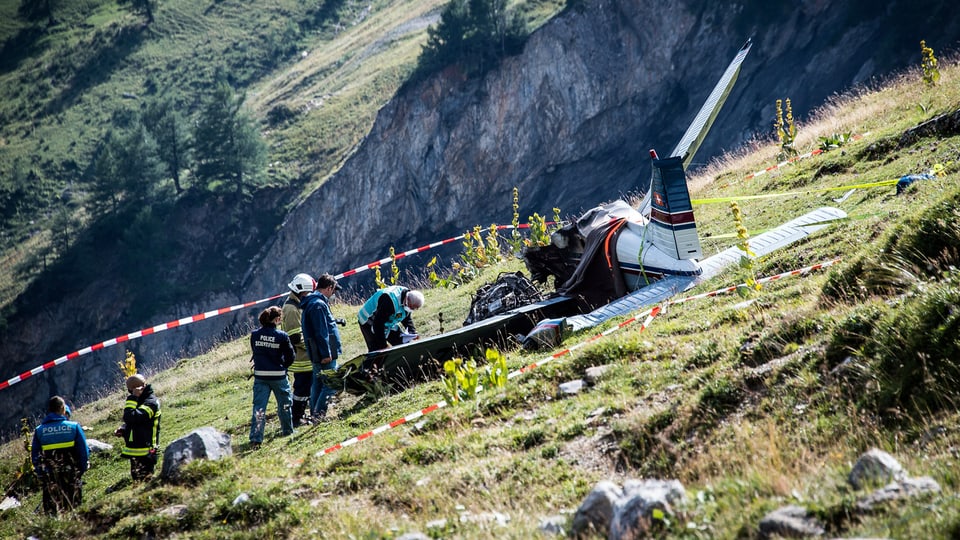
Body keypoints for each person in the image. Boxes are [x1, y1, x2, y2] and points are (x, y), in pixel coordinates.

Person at [32, 396, 89, 514]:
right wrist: (81, 470)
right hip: (72, 474)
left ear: (50, 409)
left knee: (52, 512)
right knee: (74, 510)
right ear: (63, 408)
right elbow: (83, 451)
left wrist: (41, 474)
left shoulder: (39, 430)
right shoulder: (74, 426)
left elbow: (35, 456)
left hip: (50, 477)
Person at [249, 305, 296, 448]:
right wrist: (283, 366)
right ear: (276, 319)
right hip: (278, 377)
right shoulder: (282, 336)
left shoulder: (255, 335)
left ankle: (256, 438)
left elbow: (255, 351)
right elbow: (291, 356)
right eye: (280, 319)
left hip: (260, 376)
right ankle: (288, 432)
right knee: (285, 405)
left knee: (259, 408)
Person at [301, 273, 342, 420]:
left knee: (317, 384)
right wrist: (326, 353)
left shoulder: (312, 303)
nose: (333, 294)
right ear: (329, 288)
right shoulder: (318, 304)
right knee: (331, 383)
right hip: (324, 353)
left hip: (316, 352)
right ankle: (319, 415)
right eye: (334, 290)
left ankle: (314, 414)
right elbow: (321, 331)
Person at [114, 373, 161, 481]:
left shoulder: (151, 403)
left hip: (146, 451)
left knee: (146, 482)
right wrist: (124, 429)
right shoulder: (140, 401)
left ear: (138, 389)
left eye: (130, 391)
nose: (130, 393)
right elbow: (136, 422)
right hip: (135, 450)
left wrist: (132, 398)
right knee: (137, 483)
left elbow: (131, 417)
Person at [283, 273, 316, 427]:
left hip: (305, 357)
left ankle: (301, 414)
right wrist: (312, 345)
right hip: (301, 358)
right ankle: (296, 418)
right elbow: (295, 337)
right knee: (301, 389)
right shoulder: (291, 309)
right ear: (301, 291)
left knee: (306, 387)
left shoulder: (296, 305)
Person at [357, 285, 424, 352]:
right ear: (407, 300)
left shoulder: (408, 298)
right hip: (369, 319)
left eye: (414, 309)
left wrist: (412, 331)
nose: (411, 310)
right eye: (411, 307)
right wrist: (383, 345)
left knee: (402, 346)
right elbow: (378, 324)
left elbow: (406, 317)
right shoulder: (389, 300)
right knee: (378, 352)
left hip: (387, 321)